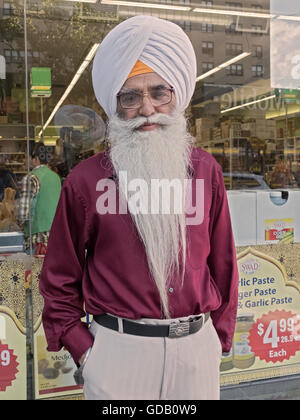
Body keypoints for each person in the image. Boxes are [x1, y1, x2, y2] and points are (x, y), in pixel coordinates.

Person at [39, 15, 239, 400]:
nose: (147, 108)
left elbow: (224, 265)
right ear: (116, 106)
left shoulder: (205, 171)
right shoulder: (86, 181)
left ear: (176, 96)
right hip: (117, 355)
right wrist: (88, 352)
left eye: (158, 92)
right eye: (130, 97)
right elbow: (59, 278)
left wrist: (219, 339)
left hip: (196, 350)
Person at [17, 142, 61, 254]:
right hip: (56, 239)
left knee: (36, 271)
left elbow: (22, 215)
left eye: (26, 157)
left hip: (37, 241)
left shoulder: (31, 178)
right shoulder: (56, 178)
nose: (24, 161)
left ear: (35, 159)